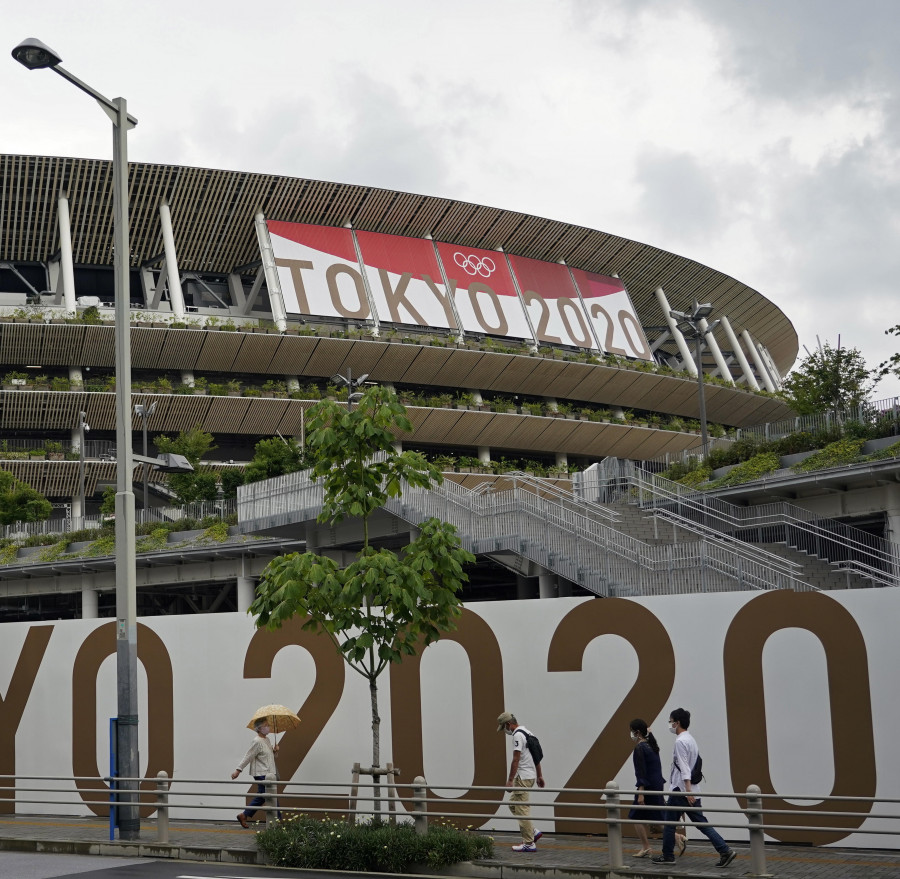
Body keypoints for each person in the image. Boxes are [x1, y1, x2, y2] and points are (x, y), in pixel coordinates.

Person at [650, 708, 736, 868]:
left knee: (669, 824)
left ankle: (668, 856)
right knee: (701, 823)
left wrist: (687, 791)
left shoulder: (680, 742)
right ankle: (725, 850)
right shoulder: (691, 739)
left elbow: (684, 768)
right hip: (691, 790)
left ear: (678, 722)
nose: (670, 724)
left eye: (671, 721)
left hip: (681, 790)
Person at [497, 711, 545, 852]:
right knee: (513, 805)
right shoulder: (527, 732)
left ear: (508, 724)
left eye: (504, 727)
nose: (505, 731)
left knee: (522, 809)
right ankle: (533, 832)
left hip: (522, 777)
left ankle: (529, 843)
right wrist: (539, 775)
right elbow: (536, 757)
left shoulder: (517, 735)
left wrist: (510, 780)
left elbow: (516, 759)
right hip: (529, 776)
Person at [627, 718, 670, 858]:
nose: (631, 734)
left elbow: (641, 772)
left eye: (632, 731)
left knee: (636, 816)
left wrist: (641, 793)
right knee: (656, 817)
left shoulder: (639, 748)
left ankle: (647, 847)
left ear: (637, 732)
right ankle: (675, 838)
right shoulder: (652, 745)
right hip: (656, 785)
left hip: (647, 787)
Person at [232, 718, 279, 827]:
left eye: (268, 725)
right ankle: (277, 821)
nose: (268, 727)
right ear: (259, 729)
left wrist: (275, 751)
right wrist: (238, 770)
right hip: (261, 773)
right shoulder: (257, 741)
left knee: (266, 795)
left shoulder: (267, 740)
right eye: (266, 725)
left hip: (269, 773)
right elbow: (249, 755)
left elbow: (269, 757)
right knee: (268, 795)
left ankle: (244, 815)